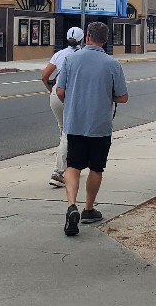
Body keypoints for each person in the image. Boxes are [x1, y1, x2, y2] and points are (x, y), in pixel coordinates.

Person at [55, 22, 128, 236]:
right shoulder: (112, 64)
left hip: (75, 122)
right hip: (100, 125)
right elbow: (123, 97)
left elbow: (60, 91)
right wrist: (108, 96)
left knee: (73, 166)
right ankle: (88, 209)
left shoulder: (70, 59)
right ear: (105, 40)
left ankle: (71, 205)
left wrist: (73, 98)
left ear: (87, 37)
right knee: (96, 168)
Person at [40, 26, 85, 188]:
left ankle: (71, 165)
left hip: (55, 95)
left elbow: (44, 76)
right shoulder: (81, 55)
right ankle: (58, 172)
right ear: (82, 39)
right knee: (69, 133)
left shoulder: (58, 54)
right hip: (70, 97)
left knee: (64, 132)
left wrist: (51, 90)